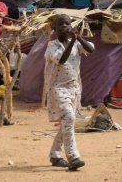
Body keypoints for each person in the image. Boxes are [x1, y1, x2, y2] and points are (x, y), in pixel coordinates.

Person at [44, 14, 93, 171]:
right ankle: (73, 156)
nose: (64, 26)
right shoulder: (52, 45)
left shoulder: (77, 44)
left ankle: (55, 155)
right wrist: (72, 40)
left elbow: (91, 49)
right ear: (55, 28)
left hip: (73, 88)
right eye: (61, 24)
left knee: (67, 121)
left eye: (67, 23)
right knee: (70, 117)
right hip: (57, 88)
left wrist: (77, 38)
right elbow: (62, 59)